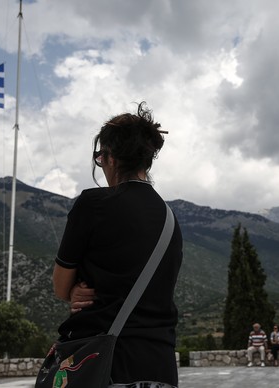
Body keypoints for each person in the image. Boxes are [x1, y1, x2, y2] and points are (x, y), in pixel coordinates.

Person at [52, 102, 183, 388]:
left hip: (102, 363)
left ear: (110, 159)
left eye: (100, 158)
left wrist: (74, 290)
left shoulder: (93, 204)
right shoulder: (170, 219)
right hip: (159, 365)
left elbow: (60, 287)